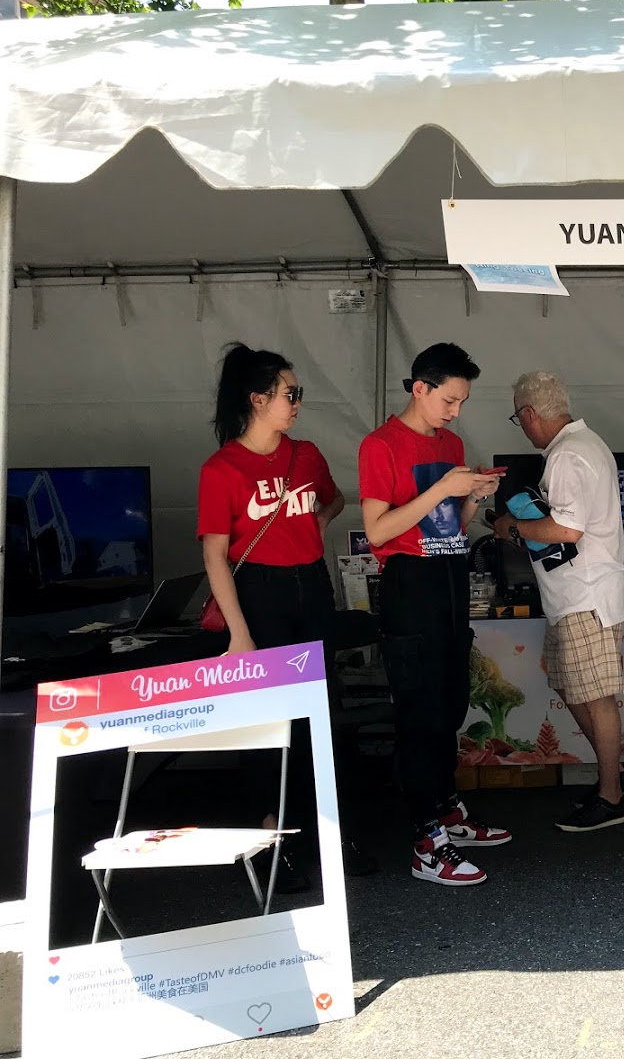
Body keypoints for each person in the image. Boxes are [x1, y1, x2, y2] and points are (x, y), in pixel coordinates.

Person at [197, 343, 375, 884]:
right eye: (289, 393)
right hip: (259, 592)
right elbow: (215, 555)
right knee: (270, 720)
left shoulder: (307, 454)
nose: (297, 403)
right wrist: (240, 634)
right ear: (258, 399)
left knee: (323, 711)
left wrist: (314, 523)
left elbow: (334, 498)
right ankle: (274, 840)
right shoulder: (223, 467)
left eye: (298, 393)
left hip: (311, 585)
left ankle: (334, 832)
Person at [359, 342, 512, 887]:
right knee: (420, 714)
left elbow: (450, 524)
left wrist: (473, 496)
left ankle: (446, 811)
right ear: (419, 388)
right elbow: (378, 531)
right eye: (448, 399)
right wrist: (446, 485)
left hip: (450, 578)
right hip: (408, 584)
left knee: (449, 705)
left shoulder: (452, 443)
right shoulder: (380, 445)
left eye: (463, 401)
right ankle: (426, 839)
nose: (455, 411)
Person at [494, 371, 624, 832]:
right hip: (572, 595)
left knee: (595, 696)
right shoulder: (582, 445)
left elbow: (566, 530)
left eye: (518, 419)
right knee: (569, 685)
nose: (522, 427)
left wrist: (511, 527)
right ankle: (616, 777)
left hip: (585, 595)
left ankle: (611, 797)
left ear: (530, 413)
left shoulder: (567, 454)